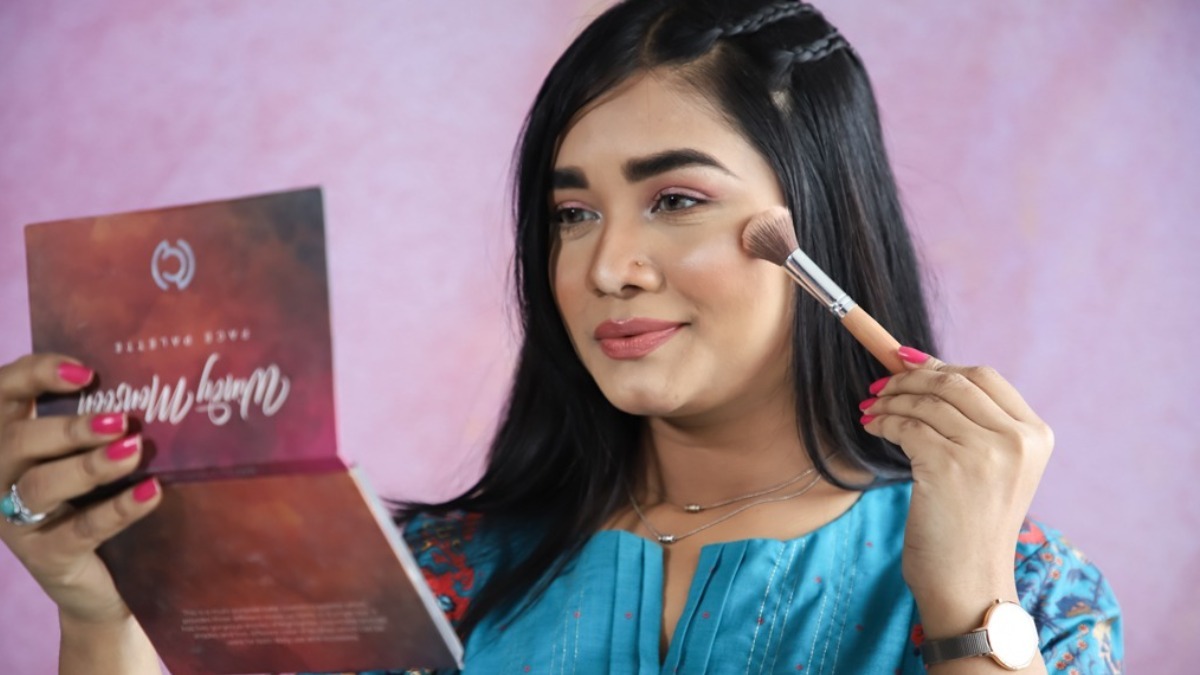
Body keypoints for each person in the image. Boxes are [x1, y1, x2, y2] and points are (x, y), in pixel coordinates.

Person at [0, 1, 1122, 673]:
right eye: (572, 213)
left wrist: (968, 608)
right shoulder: (421, 583)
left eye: (674, 199)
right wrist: (105, 617)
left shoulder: (1033, 590)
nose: (605, 266)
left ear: (819, 221)